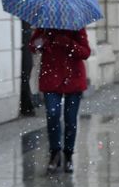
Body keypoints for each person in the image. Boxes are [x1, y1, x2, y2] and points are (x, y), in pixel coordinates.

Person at [29, 28, 91, 173]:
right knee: (52, 114)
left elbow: (85, 52)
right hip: (51, 77)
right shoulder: (45, 27)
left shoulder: (77, 27)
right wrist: (42, 42)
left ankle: (68, 155)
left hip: (73, 78)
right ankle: (55, 153)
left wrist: (68, 43)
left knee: (70, 119)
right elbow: (32, 46)